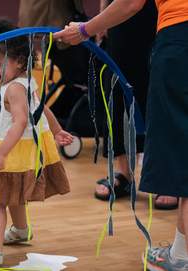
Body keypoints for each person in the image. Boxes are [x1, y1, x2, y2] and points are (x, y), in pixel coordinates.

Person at [54, 0, 188, 270]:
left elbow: (130, 2)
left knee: (181, 151)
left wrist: (84, 29)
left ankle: (182, 255)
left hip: (179, 39)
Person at [0, 18, 73, 266]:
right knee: (13, 194)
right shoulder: (25, 82)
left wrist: (1, 153)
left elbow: (21, 121)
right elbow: (41, 108)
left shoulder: (13, 89)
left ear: (20, 61)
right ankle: (22, 230)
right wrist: (56, 131)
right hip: (23, 151)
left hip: (11, 149)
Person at [94, 0, 178, 210]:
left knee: (161, 92)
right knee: (118, 86)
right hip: (123, 15)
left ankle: (167, 179)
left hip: (165, 14)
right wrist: (103, 16)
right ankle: (123, 172)